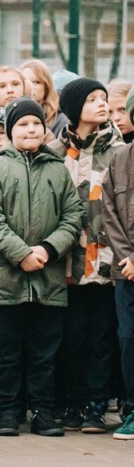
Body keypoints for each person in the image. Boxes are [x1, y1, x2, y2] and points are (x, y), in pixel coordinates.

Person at [0, 98, 83, 438]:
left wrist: (49, 249)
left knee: (44, 352)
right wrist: (21, 252)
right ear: (10, 132)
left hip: (48, 278)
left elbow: (73, 215)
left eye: (36, 123)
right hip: (5, 279)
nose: (31, 129)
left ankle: (42, 412)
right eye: (22, 124)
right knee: (5, 351)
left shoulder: (58, 169)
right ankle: (8, 412)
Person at [49, 78, 122, 433]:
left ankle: (96, 404)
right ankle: (72, 402)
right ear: (74, 108)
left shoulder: (119, 150)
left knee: (101, 335)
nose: (102, 104)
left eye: (104, 98)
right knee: (71, 334)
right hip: (65, 260)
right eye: (92, 99)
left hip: (107, 259)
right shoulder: (55, 152)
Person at [101, 122, 134, 439]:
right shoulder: (120, 158)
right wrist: (127, 257)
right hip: (126, 271)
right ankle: (132, 408)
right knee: (128, 340)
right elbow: (108, 210)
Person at [19, 58, 67, 139]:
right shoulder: (8, 114)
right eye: (26, 82)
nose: (31, 87)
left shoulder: (61, 121)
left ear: (47, 86)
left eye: (36, 82)